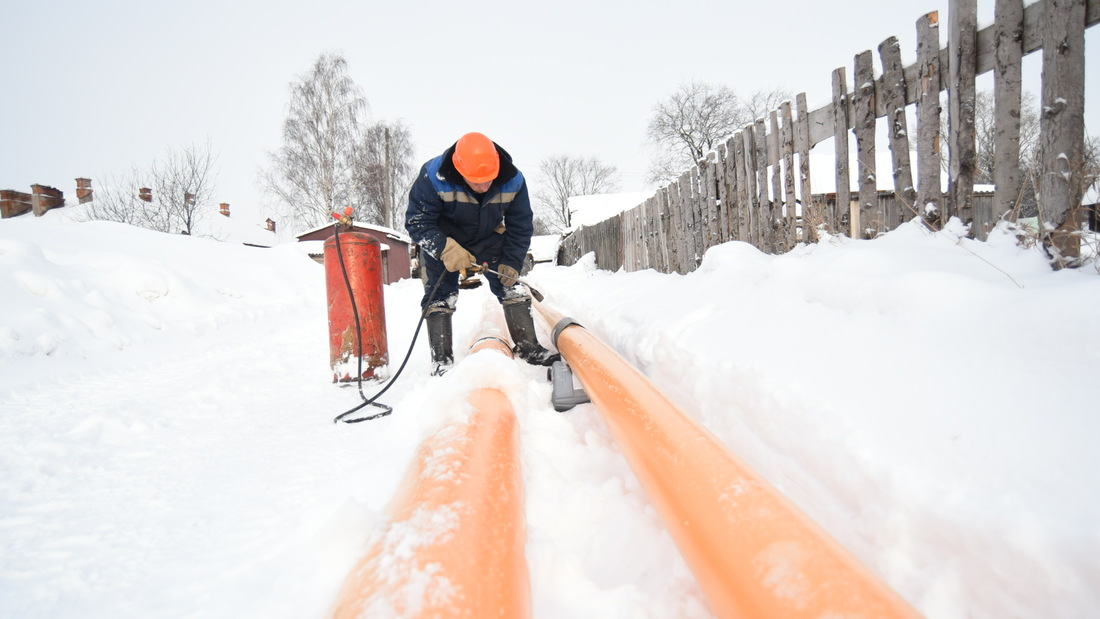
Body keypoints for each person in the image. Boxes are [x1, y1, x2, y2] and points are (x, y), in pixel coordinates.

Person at [405, 132, 560, 374]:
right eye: (476, 181)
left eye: (488, 180)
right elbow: (416, 221)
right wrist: (445, 248)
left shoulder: (513, 180)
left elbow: (521, 225)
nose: (483, 186)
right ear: (459, 170)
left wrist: (512, 261)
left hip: (488, 239)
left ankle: (529, 348)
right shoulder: (433, 176)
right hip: (445, 240)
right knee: (439, 297)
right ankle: (441, 361)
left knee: (513, 287)